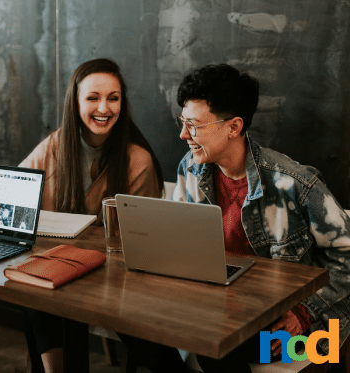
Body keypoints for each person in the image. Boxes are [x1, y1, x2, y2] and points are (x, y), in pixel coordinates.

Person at [123, 64, 350, 372]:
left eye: (193, 125)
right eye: (182, 122)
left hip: (304, 329)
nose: (182, 134)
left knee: (218, 344)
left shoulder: (294, 183)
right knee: (130, 323)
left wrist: (304, 313)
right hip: (220, 310)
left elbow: (346, 256)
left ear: (233, 127)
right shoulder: (191, 168)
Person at [19, 58, 164, 372]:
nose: (104, 108)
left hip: (114, 279)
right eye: (93, 98)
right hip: (58, 268)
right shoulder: (56, 145)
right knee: (34, 288)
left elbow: (142, 240)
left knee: (50, 295)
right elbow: (17, 190)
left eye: (113, 98)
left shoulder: (137, 160)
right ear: (76, 102)